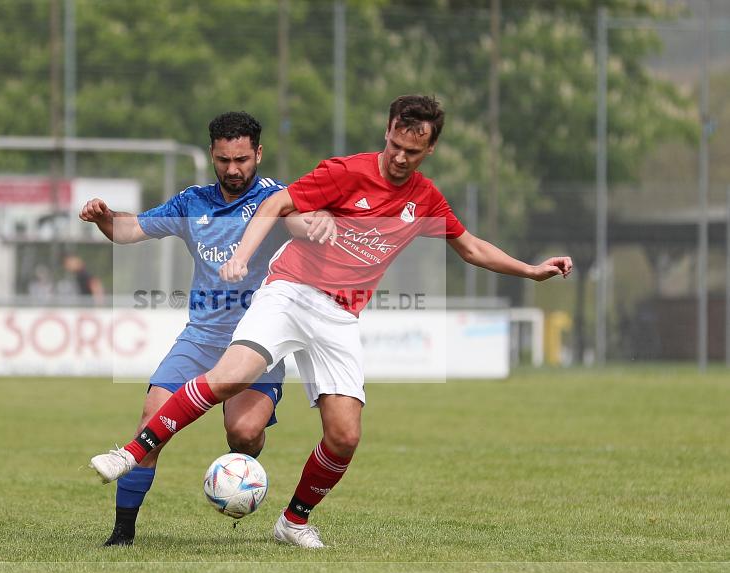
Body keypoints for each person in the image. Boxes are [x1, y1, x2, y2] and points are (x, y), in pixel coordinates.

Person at [89, 95, 573, 548]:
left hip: (339, 315)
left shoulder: (425, 198)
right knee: (227, 377)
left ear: (430, 147)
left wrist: (530, 270)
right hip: (289, 292)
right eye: (396, 145)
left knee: (343, 436)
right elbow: (285, 209)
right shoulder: (346, 172)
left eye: (414, 151)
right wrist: (245, 252)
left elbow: (470, 247)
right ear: (386, 132)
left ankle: (292, 522)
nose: (402, 157)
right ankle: (130, 455)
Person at [80, 111, 335, 546]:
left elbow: (298, 221)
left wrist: (316, 222)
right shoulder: (191, 201)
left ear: (259, 152)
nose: (233, 169)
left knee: (244, 434)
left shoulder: (277, 198)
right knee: (151, 419)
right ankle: (122, 533)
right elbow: (130, 229)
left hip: (259, 342)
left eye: (241, 159)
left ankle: (245, 468)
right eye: (223, 160)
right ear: (212, 156)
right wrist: (104, 217)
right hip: (201, 338)